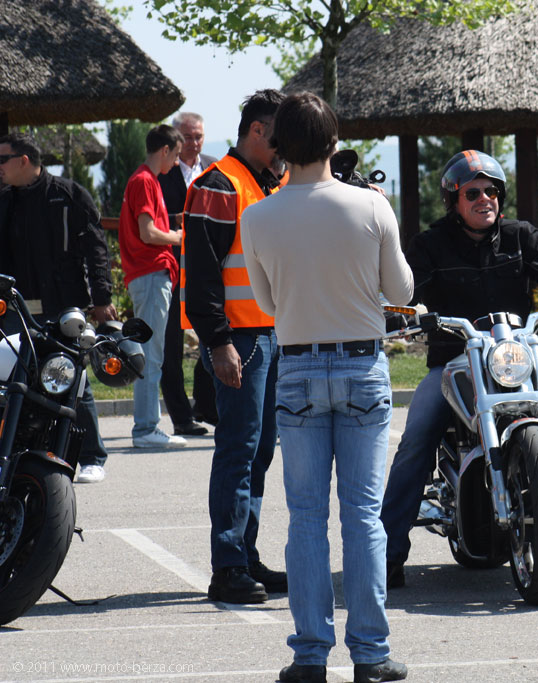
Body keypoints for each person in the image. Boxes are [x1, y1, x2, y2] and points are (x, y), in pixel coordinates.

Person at [380, 150, 538, 589]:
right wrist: (405, 315)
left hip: (515, 352)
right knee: (415, 442)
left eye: (491, 191)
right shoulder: (430, 244)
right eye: (473, 193)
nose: (484, 198)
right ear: (454, 199)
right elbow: (407, 288)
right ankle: (387, 554)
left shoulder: (520, 235)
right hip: (455, 360)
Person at [242, 91, 411, 683]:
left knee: (306, 517)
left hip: (297, 366)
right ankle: (371, 654)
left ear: (278, 145)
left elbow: (267, 303)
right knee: (363, 515)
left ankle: (310, 653)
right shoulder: (369, 206)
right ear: (335, 143)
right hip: (363, 364)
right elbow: (402, 293)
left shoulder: (257, 214)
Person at [182, 89, 288, 604]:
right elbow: (199, 275)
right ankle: (227, 565)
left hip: (270, 336)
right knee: (238, 452)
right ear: (258, 131)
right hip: (241, 340)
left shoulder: (270, 183)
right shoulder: (218, 186)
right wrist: (217, 341)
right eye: (281, 133)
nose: (289, 144)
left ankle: (244, 556)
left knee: (260, 452)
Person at [0, 133, 116, 483]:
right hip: (14, 309)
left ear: (24, 160)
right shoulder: (3, 201)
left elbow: (97, 249)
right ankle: (18, 452)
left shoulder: (68, 195)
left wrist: (102, 298)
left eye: (2, 160)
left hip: (64, 307)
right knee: (10, 379)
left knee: (73, 378)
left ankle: (93, 456)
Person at [118, 124, 188, 450]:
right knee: (150, 354)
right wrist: (177, 237)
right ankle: (146, 428)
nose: (175, 163)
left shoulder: (145, 180)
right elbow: (148, 233)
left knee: (150, 353)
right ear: (165, 150)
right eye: (175, 155)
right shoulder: (146, 180)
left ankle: (147, 427)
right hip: (150, 274)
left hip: (148, 276)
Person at [157, 112, 217, 436]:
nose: (194, 144)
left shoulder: (213, 166)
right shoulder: (162, 173)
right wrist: (176, 219)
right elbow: (151, 215)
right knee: (171, 346)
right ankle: (181, 417)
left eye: (198, 137)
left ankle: (206, 406)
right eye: (188, 137)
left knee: (215, 336)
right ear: (176, 140)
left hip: (208, 266)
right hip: (172, 264)